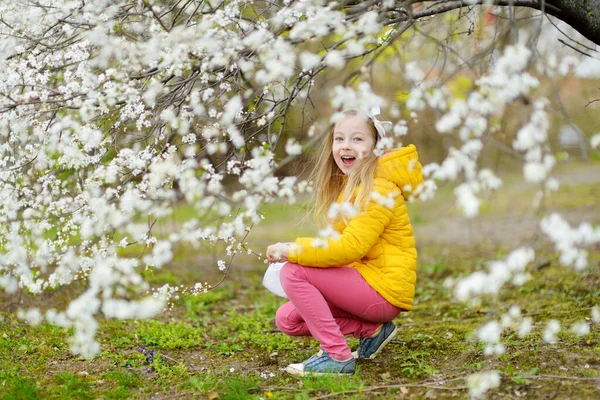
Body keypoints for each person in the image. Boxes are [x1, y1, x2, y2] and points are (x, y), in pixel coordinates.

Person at [266, 108, 423, 376]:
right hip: (365, 281)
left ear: (375, 147)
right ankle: (372, 332)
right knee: (288, 319)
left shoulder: (378, 190)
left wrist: (294, 251)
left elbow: (350, 248)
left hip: (383, 290)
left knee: (295, 270)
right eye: (339, 139)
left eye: (357, 139)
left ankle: (336, 357)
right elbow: (338, 247)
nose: (345, 146)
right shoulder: (352, 188)